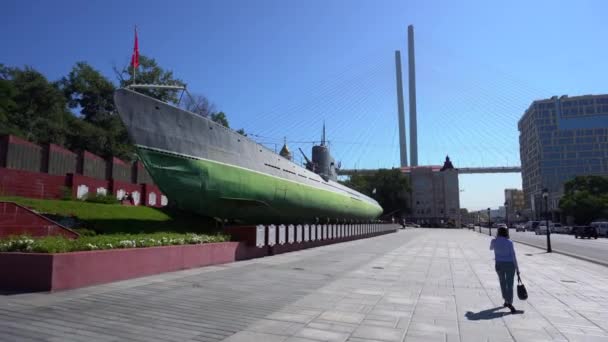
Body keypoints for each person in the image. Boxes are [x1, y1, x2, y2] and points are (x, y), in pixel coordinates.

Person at [490, 227, 519, 313]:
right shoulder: (509, 242)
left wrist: (495, 240)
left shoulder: (494, 241)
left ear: (498, 232)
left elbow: (491, 248)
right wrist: (517, 268)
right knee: (510, 284)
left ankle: (506, 300)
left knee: (502, 282)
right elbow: (513, 255)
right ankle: (509, 302)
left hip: (499, 264)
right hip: (510, 264)